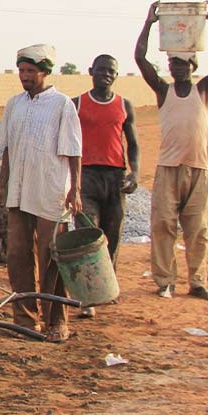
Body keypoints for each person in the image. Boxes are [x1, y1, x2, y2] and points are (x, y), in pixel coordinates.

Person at [0, 44, 82, 342]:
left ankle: (56, 320)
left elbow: (73, 151)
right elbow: (7, 148)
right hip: (18, 191)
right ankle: (25, 320)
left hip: (51, 191)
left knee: (50, 256)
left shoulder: (62, 105)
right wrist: (1, 182)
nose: (25, 76)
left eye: (30, 71)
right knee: (18, 255)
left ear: (44, 72)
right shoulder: (14, 104)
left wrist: (75, 189)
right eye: (21, 71)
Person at [135, 0, 208, 301]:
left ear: (192, 67)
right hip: (168, 167)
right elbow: (140, 58)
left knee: (197, 230)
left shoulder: (203, 90)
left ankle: (197, 282)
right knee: (163, 226)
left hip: (198, 169)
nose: (178, 68)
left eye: (183, 63)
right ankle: (165, 281)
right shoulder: (163, 90)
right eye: (174, 63)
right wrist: (149, 23)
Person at [73, 54, 140, 318]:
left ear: (116, 74)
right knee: (89, 233)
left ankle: (107, 288)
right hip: (85, 175)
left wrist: (135, 173)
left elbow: (132, 143)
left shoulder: (124, 105)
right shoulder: (76, 104)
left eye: (111, 71)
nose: (106, 74)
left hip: (114, 177)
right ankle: (86, 296)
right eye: (101, 70)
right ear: (91, 71)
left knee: (112, 234)